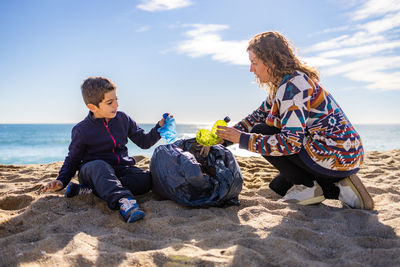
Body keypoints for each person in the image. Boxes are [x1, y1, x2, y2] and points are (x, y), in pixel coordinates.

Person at [216, 31, 374, 210]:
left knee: (262, 131)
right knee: (279, 186)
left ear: (270, 63)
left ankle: (310, 188)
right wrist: (225, 139)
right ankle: (342, 188)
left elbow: (291, 143)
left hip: (335, 154)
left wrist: (242, 139)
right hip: (346, 154)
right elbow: (257, 116)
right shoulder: (285, 83)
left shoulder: (292, 88)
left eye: (254, 63)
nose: (251, 69)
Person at [42, 77, 167, 222]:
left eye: (116, 99)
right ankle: (124, 202)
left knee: (145, 179)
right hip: (93, 172)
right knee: (100, 165)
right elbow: (73, 159)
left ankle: (87, 191)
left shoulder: (123, 119)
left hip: (120, 170)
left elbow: (144, 141)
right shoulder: (81, 130)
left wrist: (159, 128)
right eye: (110, 102)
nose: (116, 105)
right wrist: (61, 181)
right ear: (92, 107)